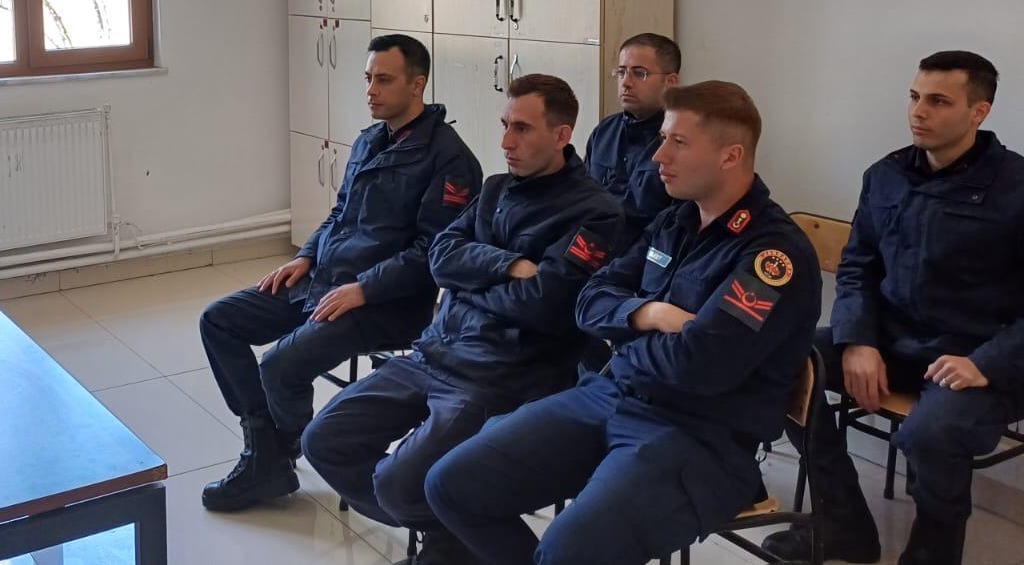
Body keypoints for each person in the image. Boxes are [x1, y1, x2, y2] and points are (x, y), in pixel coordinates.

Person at [425, 81, 821, 565]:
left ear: (730, 155)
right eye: (663, 138)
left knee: (567, 552)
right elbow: (588, 301)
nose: (658, 156)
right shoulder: (676, 221)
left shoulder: (772, 256)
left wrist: (623, 340)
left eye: (678, 142)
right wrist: (646, 314)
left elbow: (700, 365)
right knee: (450, 485)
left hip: (699, 437)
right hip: (611, 396)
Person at [761, 51, 1024, 564]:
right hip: (894, 342)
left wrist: (985, 363)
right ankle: (843, 524)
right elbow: (858, 267)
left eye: (939, 101)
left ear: (979, 112)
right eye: (915, 97)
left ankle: (932, 552)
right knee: (776, 360)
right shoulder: (886, 174)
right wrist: (858, 340)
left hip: (979, 360)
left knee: (931, 434)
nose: (918, 111)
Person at [302, 74, 624, 564]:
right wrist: (508, 266)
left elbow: (543, 303)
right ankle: (453, 537)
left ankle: (457, 539)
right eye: (505, 125)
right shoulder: (495, 189)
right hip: (435, 351)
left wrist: (471, 281)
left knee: (397, 485)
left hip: (498, 374)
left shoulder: (596, 213)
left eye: (522, 128)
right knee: (324, 441)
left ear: (562, 135)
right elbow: (440, 257)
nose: (506, 142)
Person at [198, 34, 482, 511]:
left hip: (385, 303)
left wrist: (364, 289)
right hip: (325, 278)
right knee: (219, 320)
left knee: (280, 366)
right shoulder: (371, 139)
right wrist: (306, 256)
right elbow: (340, 213)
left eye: (384, 80)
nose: (371, 90)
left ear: (417, 85)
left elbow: (434, 252)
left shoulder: (450, 159)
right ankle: (266, 450)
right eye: (368, 78)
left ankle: (274, 456)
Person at [585, 32, 680, 250]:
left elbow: (674, 226)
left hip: (644, 255)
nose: (626, 83)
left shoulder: (679, 141)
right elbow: (580, 197)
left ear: (670, 82)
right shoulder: (604, 131)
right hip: (589, 247)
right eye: (621, 72)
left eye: (639, 74)